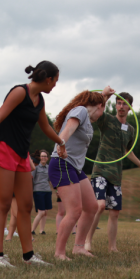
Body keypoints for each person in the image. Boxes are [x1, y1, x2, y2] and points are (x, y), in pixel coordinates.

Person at [0, 61, 64, 267]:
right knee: (4, 203)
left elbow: (45, 126)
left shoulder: (39, 100)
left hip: (22, 155)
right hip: (4, 147)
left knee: (25, 205)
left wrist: (61, 142)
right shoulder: (19, 92)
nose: (55, 86)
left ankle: (29, 256)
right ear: (48, 79)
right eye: (56, 81)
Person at [49, 87, 113, 260]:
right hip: (62, 164)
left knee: (91, 207)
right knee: (75, 211)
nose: (101, 115)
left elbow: (97, 107)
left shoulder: (88, 112)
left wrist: (105, 96)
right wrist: (61, 144)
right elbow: (69, 128)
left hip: (75, 168)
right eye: (103, 109)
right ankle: (59, 253)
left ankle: (78, 247)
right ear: (99, 106)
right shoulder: (81, 111)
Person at [85, 92, 140, 253]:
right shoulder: (107, 119)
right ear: (115, 105)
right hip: (100, 170)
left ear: (130, 107)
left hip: (116, 174)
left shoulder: (131, 129)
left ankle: (112, 247)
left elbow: (128, 151)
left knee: (115, 212)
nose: (121, 106)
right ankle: (86, 242)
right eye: (118, 103)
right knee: (99, 206)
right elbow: (94, 111)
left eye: (124, 104)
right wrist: (104, 96)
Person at [31, 150, 53, 236]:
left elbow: (50, 180)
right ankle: (32, 230)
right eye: (42, 156)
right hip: (38, 191)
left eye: (45, 156)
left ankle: (42, 231)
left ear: (47, 158)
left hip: (47, 191)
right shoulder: (36, 167)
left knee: (45, 212)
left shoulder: (49, 168)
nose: (43, 158)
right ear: (39, 157)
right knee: (41, 212)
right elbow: (31, 179)